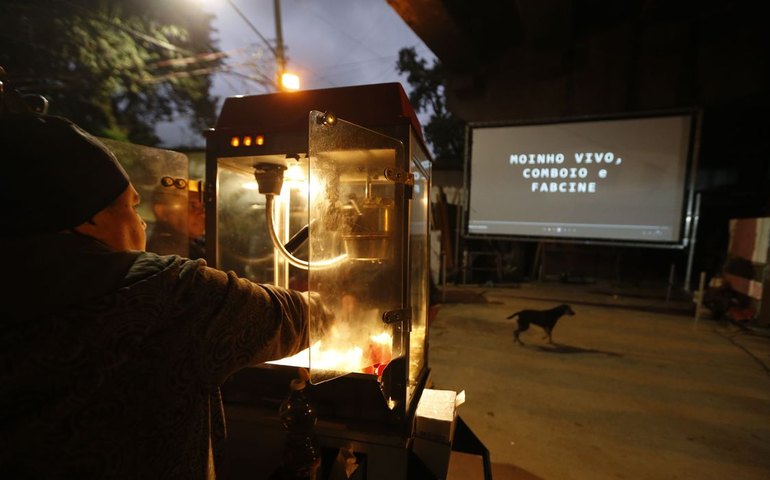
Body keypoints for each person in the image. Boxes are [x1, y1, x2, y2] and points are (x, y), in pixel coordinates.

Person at [0, 113, 329, 479]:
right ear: (87, 219)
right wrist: (335, 303)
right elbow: (297, 317)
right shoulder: (171, 296)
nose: (141, 223)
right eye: (131, 206)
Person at [147, 181, 207, 260]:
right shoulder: (167, 255)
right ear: (162, 212)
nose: (203, 214)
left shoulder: (200, 243)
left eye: (204, 206)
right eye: (192, 206)